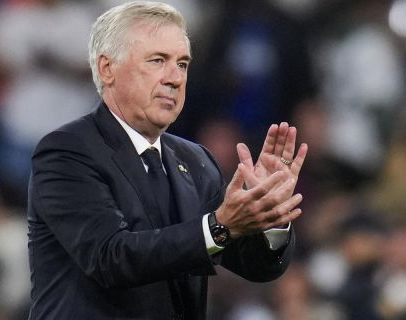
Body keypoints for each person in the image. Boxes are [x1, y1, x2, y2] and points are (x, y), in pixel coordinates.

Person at [27, 1, 308, 319]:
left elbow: (254, 266)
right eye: (158, 60)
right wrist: (218, 228)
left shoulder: (197, 160)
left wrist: (267, 218)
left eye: (183, 64)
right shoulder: (67, 151)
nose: (175, 78)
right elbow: (110, 258)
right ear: (107, 68)